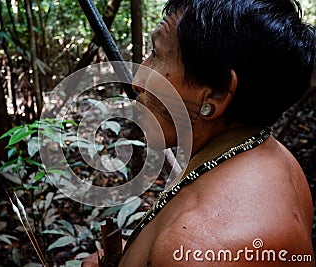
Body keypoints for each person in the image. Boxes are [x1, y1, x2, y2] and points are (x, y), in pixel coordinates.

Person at [84, 0, 316, 266]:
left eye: (156, 54)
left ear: (216, 94)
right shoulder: (278, 160)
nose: (137, 81)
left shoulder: (194, 247)